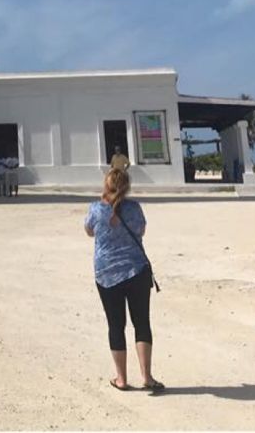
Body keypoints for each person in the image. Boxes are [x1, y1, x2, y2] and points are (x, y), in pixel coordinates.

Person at [84, 167, 164, 394]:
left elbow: (89, 231)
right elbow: (142, 230)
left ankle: (121, 379)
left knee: (116, 325)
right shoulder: (134, 208)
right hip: (136, 270)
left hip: (107, 274)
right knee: (142, 323)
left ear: (106, 186)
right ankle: (147, 377)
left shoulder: (96, 209)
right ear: (127, 187)